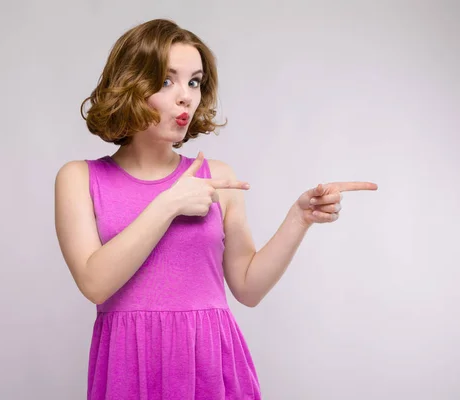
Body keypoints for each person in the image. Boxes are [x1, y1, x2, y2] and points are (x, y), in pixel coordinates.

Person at [54, 18, 377, 400]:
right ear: (129, 84)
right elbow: (95, 283)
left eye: (194, 81)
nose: (186, 97)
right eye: (166, 80)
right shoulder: (80, 178)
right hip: (129, 365)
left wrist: (299, 218)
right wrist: (170, 204)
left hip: (211, 365)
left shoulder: (218, 178)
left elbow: (248, 287)